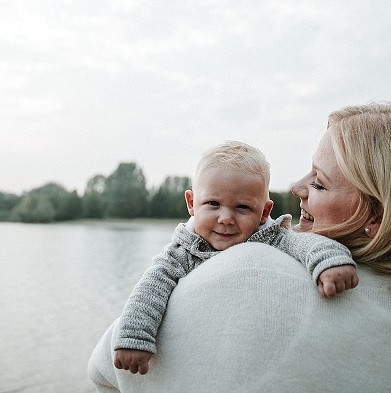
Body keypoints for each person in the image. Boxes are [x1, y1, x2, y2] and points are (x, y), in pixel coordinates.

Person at [88, 100, 391, 393]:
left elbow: (103, 370)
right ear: (193, 202)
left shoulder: (250, 269)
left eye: (319, 182)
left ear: (376, 217)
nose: (297, 188)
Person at [113, 141, 359, 375]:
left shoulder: (273, 238)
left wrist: (330, 261)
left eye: (242, 207)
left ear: (264, 212)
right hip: (204, 350)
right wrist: (135, 338)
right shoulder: (180, 253)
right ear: (191, 203)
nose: (226, 218)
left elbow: (306, 243)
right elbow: (150, 290)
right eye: (213, 204)